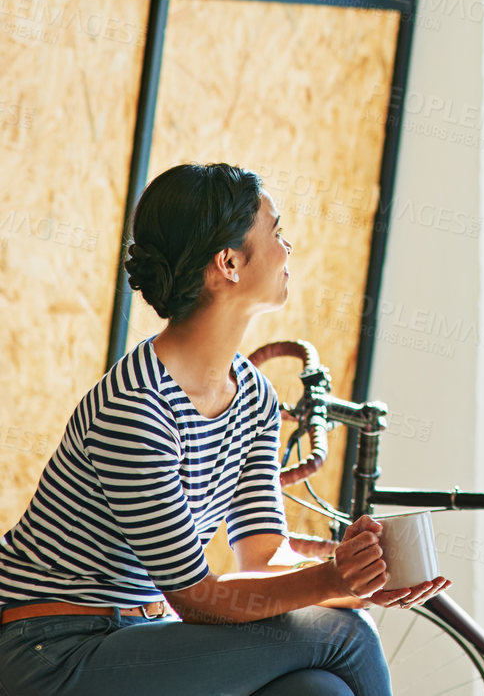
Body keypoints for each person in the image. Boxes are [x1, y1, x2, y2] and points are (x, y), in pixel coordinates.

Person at [0, 163, 451, 696]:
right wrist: (333, 583)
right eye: (277, 233)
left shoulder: (253, 396)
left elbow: (263, 558)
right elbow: (199, 598)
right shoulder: (137, 407)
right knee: (347, 637)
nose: (289, 249)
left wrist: (365, 582)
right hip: (52, 647)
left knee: (315, 691)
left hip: (141, 630)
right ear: (230, 262)